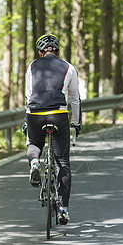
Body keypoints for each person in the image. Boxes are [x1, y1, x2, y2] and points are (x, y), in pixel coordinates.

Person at [24, 33, 81, 225]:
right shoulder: (69, 67)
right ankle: (63, 210)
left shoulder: (32, 66)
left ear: (40, 53)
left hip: (35, 114)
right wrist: (77, 123)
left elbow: (28, 95)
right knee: (62, 162)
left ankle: (34, 163)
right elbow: (75, 99)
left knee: (34, 143)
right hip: (58, 114)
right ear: (57, 52)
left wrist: (27, 119)